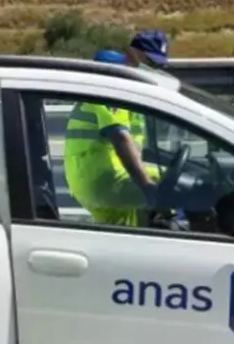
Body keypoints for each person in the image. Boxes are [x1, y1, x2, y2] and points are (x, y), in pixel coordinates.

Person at [62, 30, 170, 227]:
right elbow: (120, 138)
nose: (154, 69)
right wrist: (147, 186)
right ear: (130, 54)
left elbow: (137, 145)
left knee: (127, 236)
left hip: (105, 176)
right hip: (100, 177)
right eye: (150, 62)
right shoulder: (113, 86)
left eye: (159, 66)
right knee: (174, 187)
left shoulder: (134, 90)